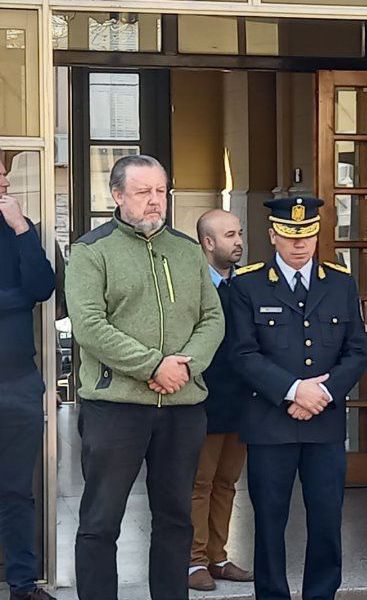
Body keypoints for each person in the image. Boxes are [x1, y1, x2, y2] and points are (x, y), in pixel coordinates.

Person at [66, 154, 225, 600]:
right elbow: (90, 327)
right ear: (117, 196)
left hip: (182, 408)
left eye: (161, 191)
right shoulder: (90, 251)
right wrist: (153, 365)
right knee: (101, 522)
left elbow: (213, 319)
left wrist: (186, 365)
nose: (155, 201)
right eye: (143, 192)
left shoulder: (188, 250)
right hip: (115, 408)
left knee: (175, 519)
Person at [229, 196, 367, 600]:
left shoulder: (340, 283)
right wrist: (293, 391)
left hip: (323, 422)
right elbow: (242, 352)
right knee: (270, 522)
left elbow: (357, 350)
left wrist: (322, 392)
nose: (299, 244)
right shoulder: (248, 284)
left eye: (307, 234)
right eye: (290, 235)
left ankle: (321, 594)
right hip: (270, 423)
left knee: (326, 520)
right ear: (273, 236)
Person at [0, 150, 57, 600]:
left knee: (18, 491)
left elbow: (41, 288)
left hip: (17, 382)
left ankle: (23, 584)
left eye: (6, 174)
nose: (5, 182)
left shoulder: (20, 226)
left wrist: (22, 231)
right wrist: (14, 299)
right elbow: (22, 298)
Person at [187, 209, 254, 591]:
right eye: (230, 235)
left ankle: (218, 557)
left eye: (240, 233)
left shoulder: (245, 287)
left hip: (241, 403)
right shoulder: (193, 286)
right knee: (200, 482)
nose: (239, 241)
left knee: (227, 483)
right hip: (203, 401)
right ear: (208, 243)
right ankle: (193, 560)